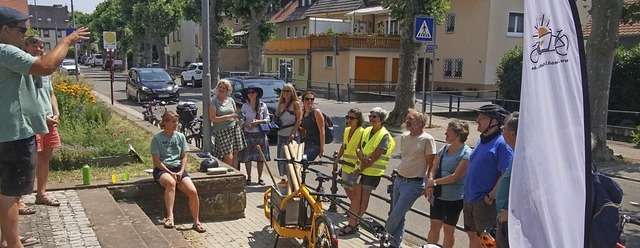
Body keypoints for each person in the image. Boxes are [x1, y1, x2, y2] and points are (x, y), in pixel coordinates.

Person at [0, 7, 89, 248]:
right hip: (13, 135)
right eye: (21, 30)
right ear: (5, 30)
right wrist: (67, 40)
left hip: (7, 134)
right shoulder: (5, 51)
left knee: (7, 192)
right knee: (9, 195)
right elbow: (47, 66)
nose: (24, 34)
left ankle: (10, 240)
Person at [339, 107, 396, 236]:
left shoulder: (384, 135)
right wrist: (361, 158)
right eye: (370, 116)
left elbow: (374, 158)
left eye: (374, 116)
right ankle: (352, 222)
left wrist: (361, 166)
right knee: (356, 197)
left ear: (381, 120)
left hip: (372, 173)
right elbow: (358, 148)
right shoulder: (367, 130)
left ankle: (354, 223)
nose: (371, 118)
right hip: (361, 169)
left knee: (364, 198)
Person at [384, 109, 436, 247]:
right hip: (399, 180)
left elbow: (432, 163)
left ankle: (382, 234)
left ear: (420, 122)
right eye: (407, 118)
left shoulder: (427, 139)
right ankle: (394, 244)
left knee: (397, 213)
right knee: (398, 215)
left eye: (410, 119)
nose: (407, 121)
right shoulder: (405, 136)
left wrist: (428, 183)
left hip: (414, 184)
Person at [463, 104, 512, 248]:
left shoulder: (502, 144)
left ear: (495, 122)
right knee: (472, 235)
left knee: (487, 240)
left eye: (482, 118)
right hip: (469, 197)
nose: (477, 120)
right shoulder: (481, 139)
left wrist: (491, 196)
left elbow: (505, 174)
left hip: (484, 201)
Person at [22, 36, 62, 208]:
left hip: (49, 121)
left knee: (45, 157)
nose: (39, 50)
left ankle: (41, 193)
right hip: (32, 122)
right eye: (34, 46)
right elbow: (24, 97)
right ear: (25, 47)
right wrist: (41, 117)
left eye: (41, 47)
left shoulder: (44, 70)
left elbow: (51, 93)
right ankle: (19, 200)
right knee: (26, 160)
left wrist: (56, 112)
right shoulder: (23, 68)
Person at [151, 111, 206, 233]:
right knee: (171, 183)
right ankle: (170, 217)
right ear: (165, 123)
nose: (176, 124)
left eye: (177, 121)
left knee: (192, 191)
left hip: (178, 169)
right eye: (173, 121)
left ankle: (196, 221)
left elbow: (184, 157)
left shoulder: (180, 137)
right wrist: (170, 172)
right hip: (162, 169)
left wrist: (181, 172)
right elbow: (156, 161)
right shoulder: (157, 139)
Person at [426, 120, 472, 248]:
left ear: (457, 134)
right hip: (438, 195)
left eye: (449, 131)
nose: (445, 133)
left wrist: (433, 182)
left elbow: (455, 177)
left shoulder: (466, 154)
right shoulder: (444, 148)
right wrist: (430, 184)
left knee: (448, 229)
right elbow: (434, 168)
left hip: (453, 198)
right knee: (434, 225)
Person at [332, 108, 364, 218]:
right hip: (346, 164)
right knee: (345, 186)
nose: (349, 120)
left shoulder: (362, 132)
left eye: (351, 118)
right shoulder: (346, 130)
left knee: (353, 190)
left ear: (358, 120)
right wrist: (338, 158)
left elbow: (361, 149)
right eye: (347, 117)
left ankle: (354, 210)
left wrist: (359, 166)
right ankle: (353, 207)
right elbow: (343, 146)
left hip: (355, 166)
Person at [209, 80, 246, 169]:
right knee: (228, 157)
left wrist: (239, 120)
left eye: (223, 88)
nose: (221, 89)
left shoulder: (231, 100)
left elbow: (235, 114)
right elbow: (213, 118)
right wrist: (228, 116)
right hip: (222, 131)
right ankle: (227, 175)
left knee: (236, 154)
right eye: (219, 87)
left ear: (227, 90)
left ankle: (235, 175)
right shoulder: (213, 101)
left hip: (234, 128)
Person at [238, 86, 271, 185]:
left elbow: (267, 119)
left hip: (260, 134)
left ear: (256, 93)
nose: (251, 94)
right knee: (248, 157)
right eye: (249, 93)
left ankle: (260, 178)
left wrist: (258, 121)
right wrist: (245, 125)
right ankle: (249, 178)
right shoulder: (245, 106)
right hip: (248, 133)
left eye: (253, 92)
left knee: (260, 158)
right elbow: (240, 119)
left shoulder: (263, 105)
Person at [495, 112, 518, 248]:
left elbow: (534, 192)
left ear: (513, 134)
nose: (501, 132)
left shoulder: (526, 157)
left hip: (511, 221)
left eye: (504, 129)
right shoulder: (517, 154)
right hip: (505, 218)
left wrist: (512, 215)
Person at [275, 83, 302, 177]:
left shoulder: (296, 104)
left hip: (291, 135)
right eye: (284, 91)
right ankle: (286, 179)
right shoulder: (281, 104)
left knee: (292, 159)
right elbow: (276, 116)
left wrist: (293, 133)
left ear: (292, 92)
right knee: (282, 158)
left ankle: (293, 180)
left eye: (288, 91)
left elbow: (299, 119)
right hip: (281, 134)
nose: (286, 93)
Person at [299, 91, 325, 160]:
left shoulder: (316, 112)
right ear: (303, 100)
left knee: (304, 160)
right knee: (299, 160)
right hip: (306, 143)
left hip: (315, 145)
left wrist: (322, 149)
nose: (309, 101)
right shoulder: (303, 113)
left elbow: (322, 131)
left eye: (312, 99)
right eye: (307, 99)